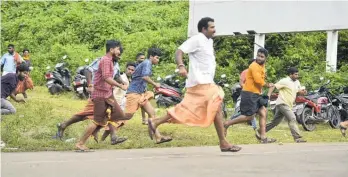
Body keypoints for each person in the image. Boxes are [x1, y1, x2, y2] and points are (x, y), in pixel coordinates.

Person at [146, 17, 241, 151]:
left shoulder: (209, 42)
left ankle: (156, 121)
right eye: (212, 27)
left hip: (206, 82)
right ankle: (223, 142)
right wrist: (181, 66)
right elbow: (179, 51)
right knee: (216, 98)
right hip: (199, 83)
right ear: (204, 29)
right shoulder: (197, 39)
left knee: (213, 108)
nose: (215, 30)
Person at [224, 48, 276, 144]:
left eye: (262, 56)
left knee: (263, 112)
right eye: (258, 56)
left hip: (256, 94)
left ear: (265, 58)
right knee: (249, 117)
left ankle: (263, 137)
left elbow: (261, 78)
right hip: (249, 93)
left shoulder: (262, 66)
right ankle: (227, 123)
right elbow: (257, 80)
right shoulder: (254, 66)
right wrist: (268, 85)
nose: (259, 58)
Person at [256, 67, 307, 143]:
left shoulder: (297, 82)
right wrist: (268, 96)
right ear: (290, 74)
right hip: (282, 103)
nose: (297, 76)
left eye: (297, 74)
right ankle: (297, 138)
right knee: (292, 118)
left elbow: (297, 91)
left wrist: (302, 92)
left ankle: (260, 131)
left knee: (275, 122)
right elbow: (273, 86)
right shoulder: (284, 81)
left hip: (287, 105)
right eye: (295, 74)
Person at [123, 48, 161, 125]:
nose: (158, 60)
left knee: (152, 114)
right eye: (157, 58)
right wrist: (155, 84)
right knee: (127, 116)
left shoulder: (147, 63)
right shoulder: (147, 63)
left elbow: (143, 78)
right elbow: (145, 77)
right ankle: (109, 123)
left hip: (141, 94)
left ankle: (157, 136)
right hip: (134, 93)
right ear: (151, 56)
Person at [231, 58, 257, 130]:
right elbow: (241, 83)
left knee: (253, 109)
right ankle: (230, 120)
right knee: (241, 110)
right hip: (246, 93)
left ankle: (254, 126)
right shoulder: (245, 72)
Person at [135, 52, 151, 124]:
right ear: (137, 59)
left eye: (144, 58)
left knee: (144, 103)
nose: (143, 60)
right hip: (136, 88)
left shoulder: (145, 65)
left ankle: (144, 119)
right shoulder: (134, 66)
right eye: (141, 58)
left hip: (143, 86)